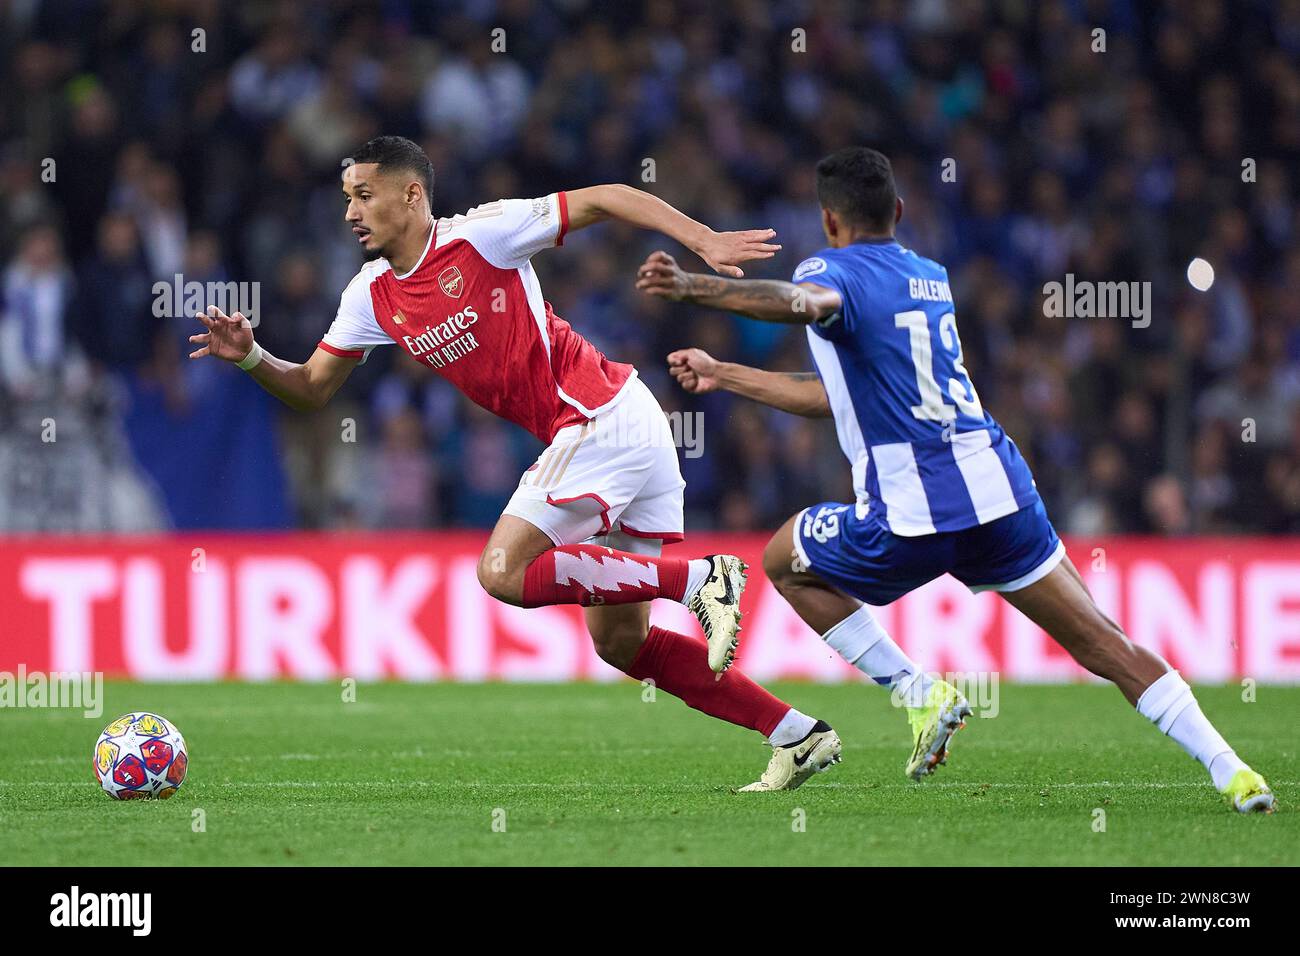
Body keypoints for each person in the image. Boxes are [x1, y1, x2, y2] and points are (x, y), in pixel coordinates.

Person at [188, 135, 841, 791]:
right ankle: (797, 733)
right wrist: (251, 356)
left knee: (501, 570)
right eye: (346, 199)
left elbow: (605, 197)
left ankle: (699, 581)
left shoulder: (483, 236)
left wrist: (703, 238)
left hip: (600, 418)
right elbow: (310, 386)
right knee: (620, 642)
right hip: (621, 424)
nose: (350, 213)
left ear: (411, 194)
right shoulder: (372, 296)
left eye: (363, 195)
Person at [636, 146, 1273, 811]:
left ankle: (920, 694)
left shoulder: (829, 269)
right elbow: (839, 396)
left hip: (913, 512)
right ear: (900, 212)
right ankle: (1232, 770)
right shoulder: (930, 276)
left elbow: (802, 300)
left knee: (782, 558)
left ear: (829, 221)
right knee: (1103, 643)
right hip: (1000, 492)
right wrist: (725, 373)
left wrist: (695, 287)